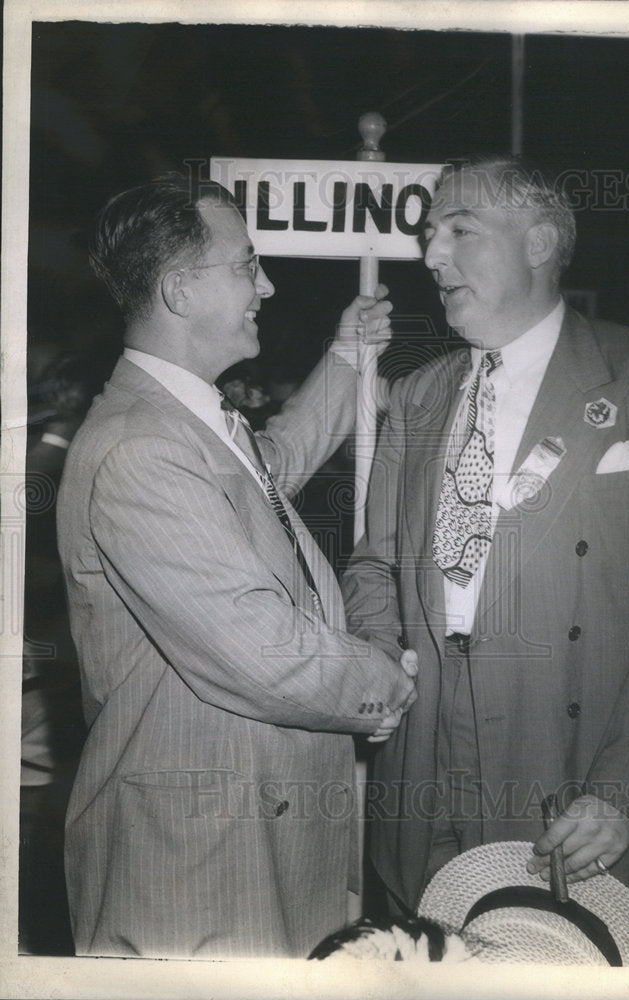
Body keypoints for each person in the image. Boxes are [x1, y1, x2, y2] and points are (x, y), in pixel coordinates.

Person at [341, 156, 629, 961]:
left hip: (573, 768)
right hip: (421, 766)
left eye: (458, 231)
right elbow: (374, 566)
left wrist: (625, 789)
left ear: (541, 242)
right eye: (426, 237)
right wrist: (380, 657)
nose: (430, 256)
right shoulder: (415, 392)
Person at [56, 173, 417, 959]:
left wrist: (349, 355)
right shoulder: (141, 448)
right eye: (247, 265)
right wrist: (387, 679)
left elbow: (269, 469)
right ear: (182, 290)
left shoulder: (179, 419)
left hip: (245, 829)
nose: (268, 284)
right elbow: (261, 652)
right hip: (199, 859)